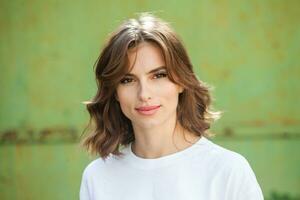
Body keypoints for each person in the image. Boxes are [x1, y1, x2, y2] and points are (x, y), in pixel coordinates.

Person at [79, 13, 264, 200]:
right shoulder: (97, 177)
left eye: (158, 75)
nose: (144, 94)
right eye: (127, 80)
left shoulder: (227, 171)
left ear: (181, 82)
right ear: (115, 92)